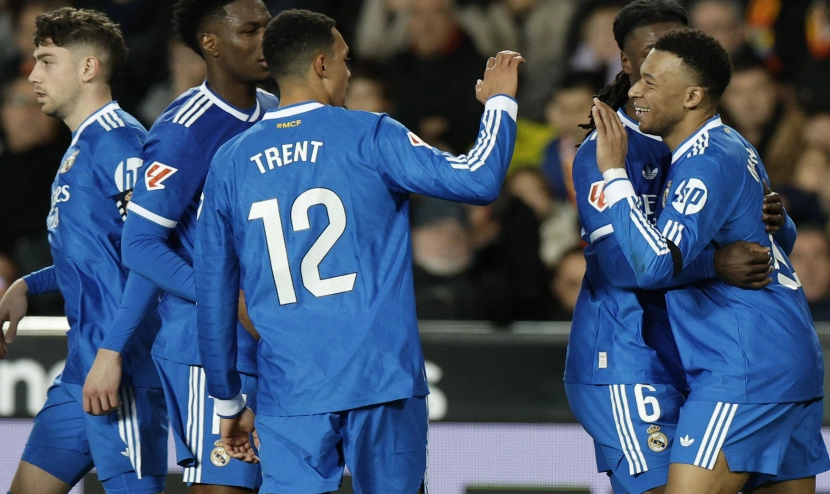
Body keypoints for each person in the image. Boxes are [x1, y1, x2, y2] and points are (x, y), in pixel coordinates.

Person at [195, 9, 521, 493]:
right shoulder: (371, 135)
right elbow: (478, 178)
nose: (350, 71)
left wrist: (227, 402)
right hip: (381, 378)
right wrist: (499, 104)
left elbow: (214, 296)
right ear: (322, 65)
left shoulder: (230, 162)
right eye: (346, 60)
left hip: (292, 389)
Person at [565, 2, 791, 492]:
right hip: (629, 355)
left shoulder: (707, 144)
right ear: (627, 65)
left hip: (703, 354)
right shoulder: (605, 151)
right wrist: (716, 263)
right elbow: (624, 267)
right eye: (649, 60)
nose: (655, 72)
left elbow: (766, 241)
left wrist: (772, 220)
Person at [91, 0, 276, 491]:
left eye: (269, 28)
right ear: (210, 44)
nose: (266, 40)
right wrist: (224, 297)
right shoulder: (183, 130)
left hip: (268, 338)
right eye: (250, 31)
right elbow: (140, 245)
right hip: (204, 343)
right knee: (224, 485)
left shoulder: (276, 112)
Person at [0, 7, 167, 494]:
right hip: (82, 370)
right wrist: (31, 282)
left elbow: (153, 254)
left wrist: (114, 353)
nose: (32, 75)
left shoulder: (120, 145)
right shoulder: (81, 147)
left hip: (123, 370)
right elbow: (97, 255)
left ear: (88, 68)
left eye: (47, 61)